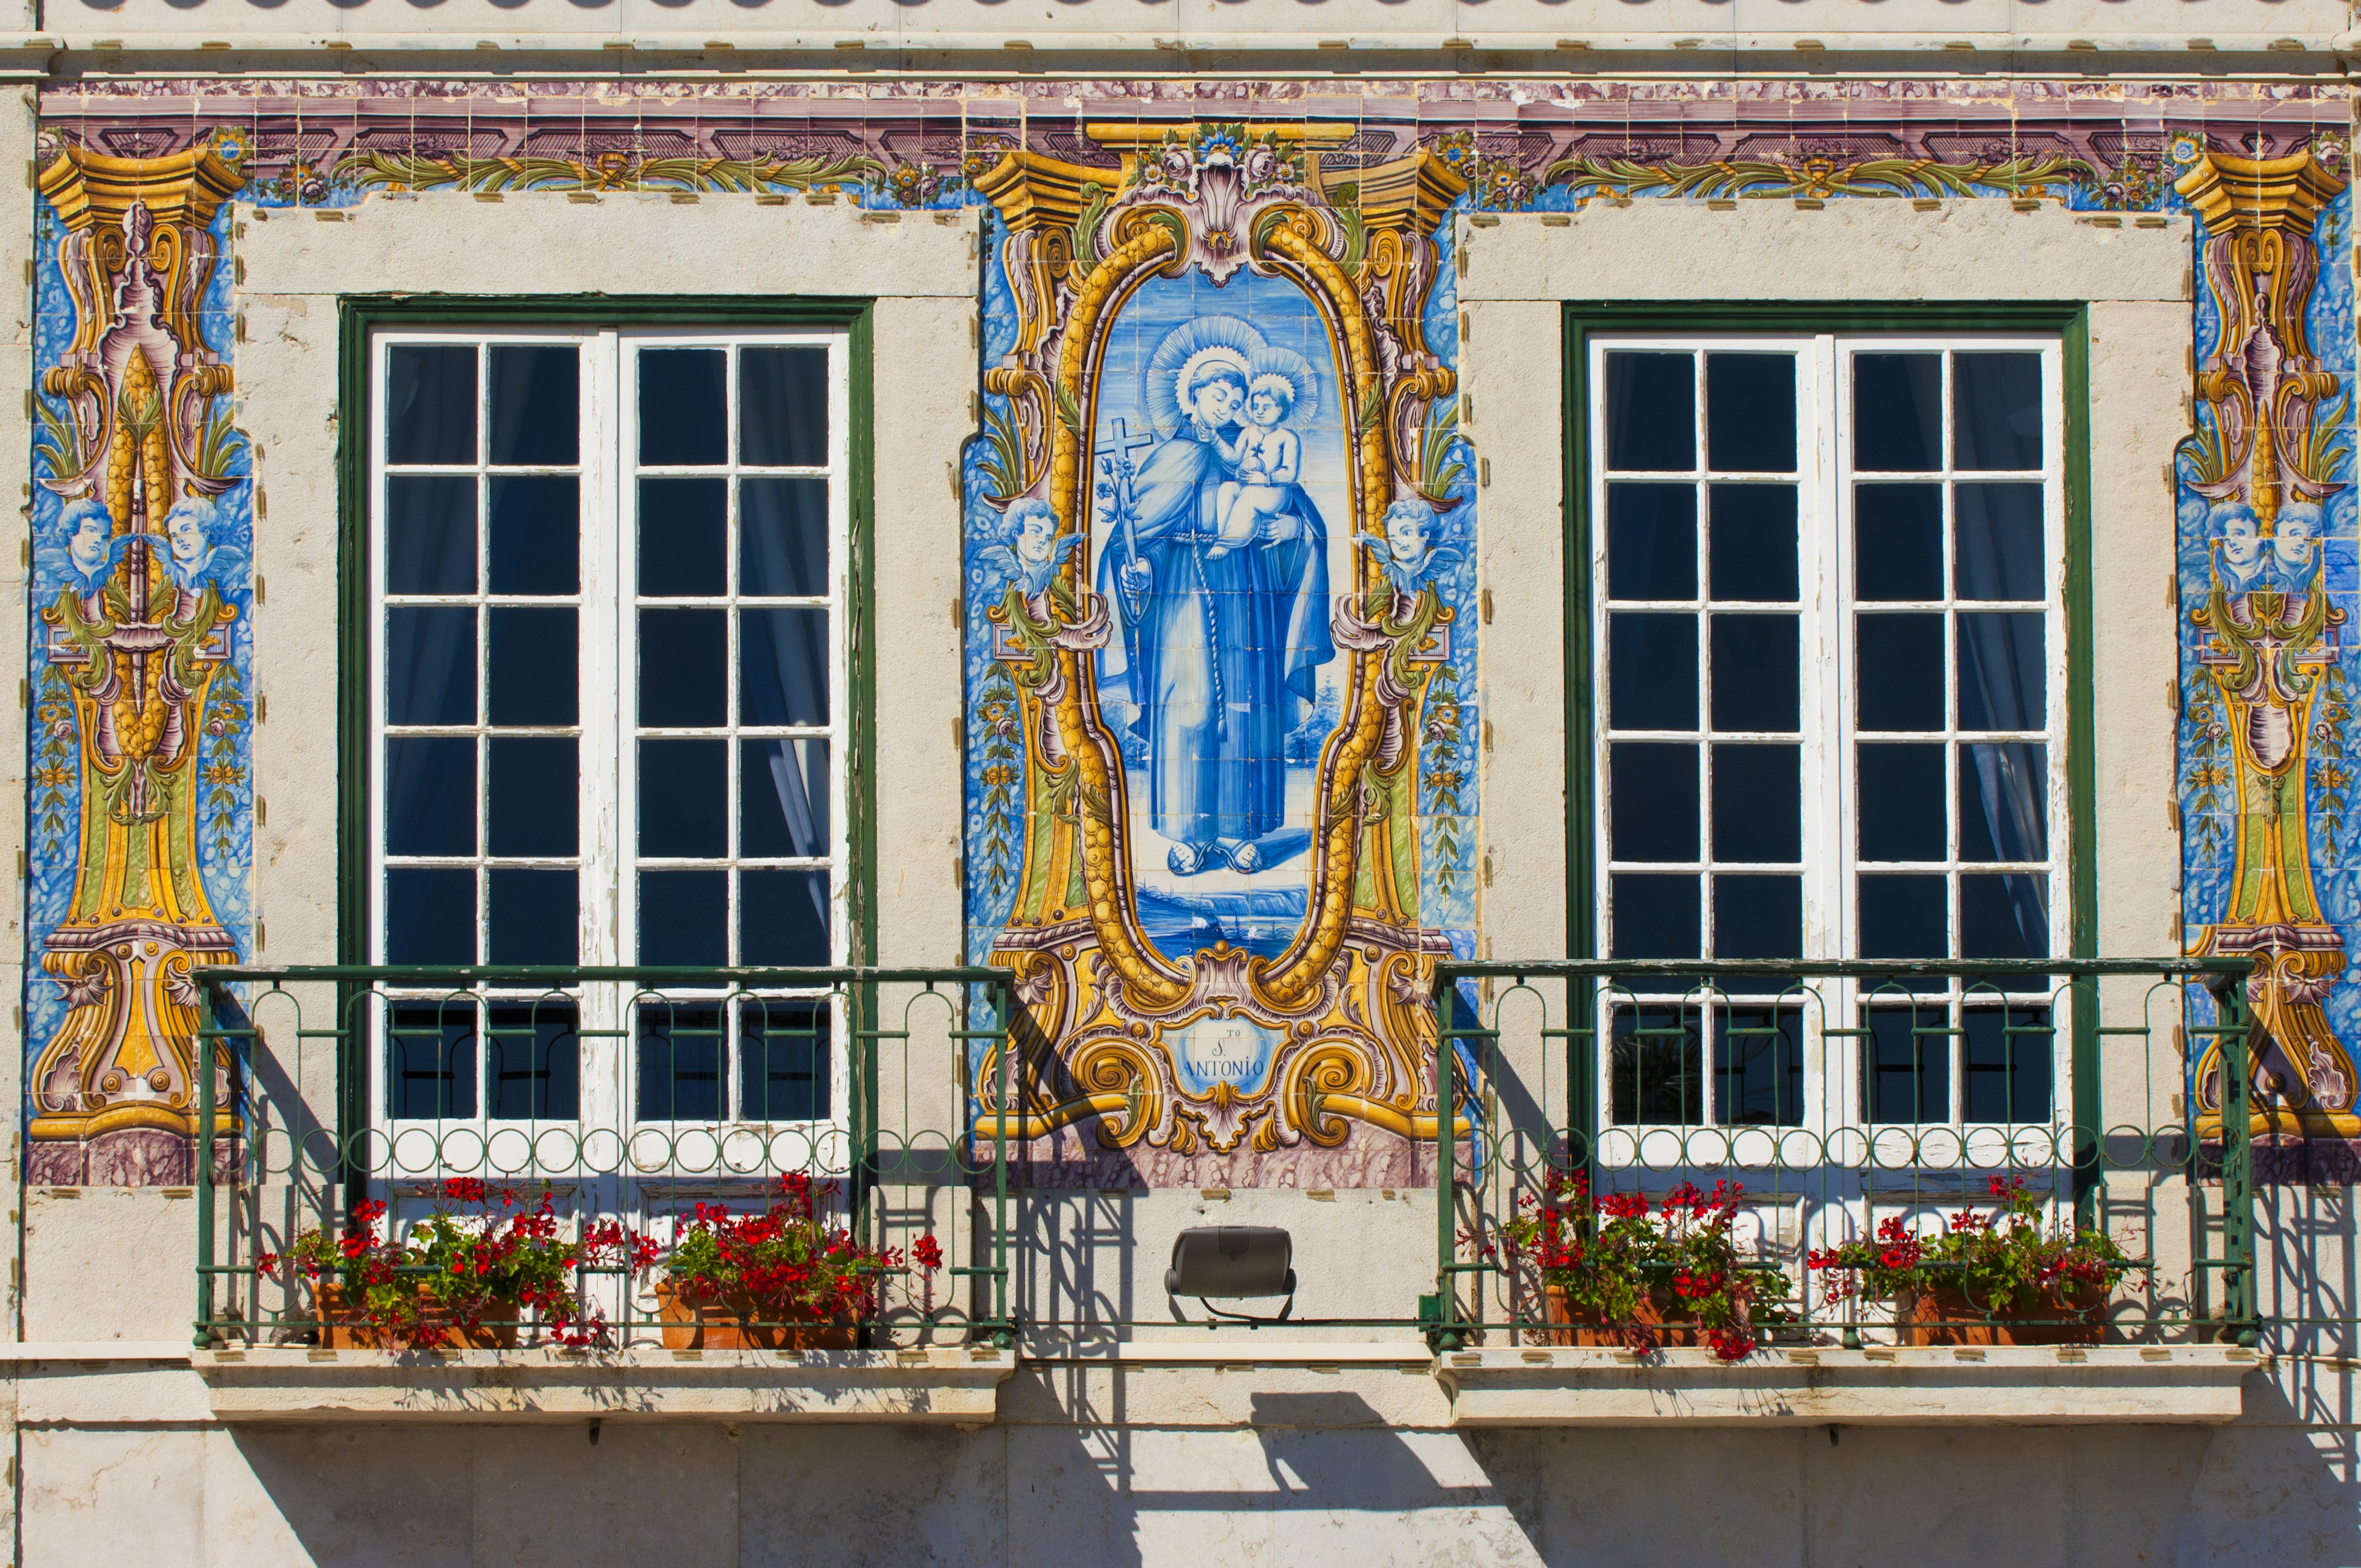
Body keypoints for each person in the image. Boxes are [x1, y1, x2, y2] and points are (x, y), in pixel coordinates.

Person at [1097, 320, 1334, 876]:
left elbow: (1302, 521)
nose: (1229, 404)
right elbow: (1136, 534)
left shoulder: (1255, 458)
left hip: (1247, 589)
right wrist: (1139, 568)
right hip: (1183, 589)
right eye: (1218, 394)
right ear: (1192, 397)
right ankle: (1188, 834)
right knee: (1190, 705)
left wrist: (1293, 534)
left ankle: (1239, 830)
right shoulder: (1174, 455)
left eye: (1236, 395)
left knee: (1249, 707)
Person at [1212, 372, 1301, 556]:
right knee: (1227, 490)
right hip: (1247, 485)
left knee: (1250, 495)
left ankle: (1227, 543)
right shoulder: (1248, 432)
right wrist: (1215, 440)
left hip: (1276, 492)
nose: (1259, 412)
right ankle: (1225, 538)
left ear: (1280, 410)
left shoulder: (1288, 438)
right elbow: (1233, 457)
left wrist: (1267, 479)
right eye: (1256, 407)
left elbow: (1290, 472)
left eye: (1266, 408)